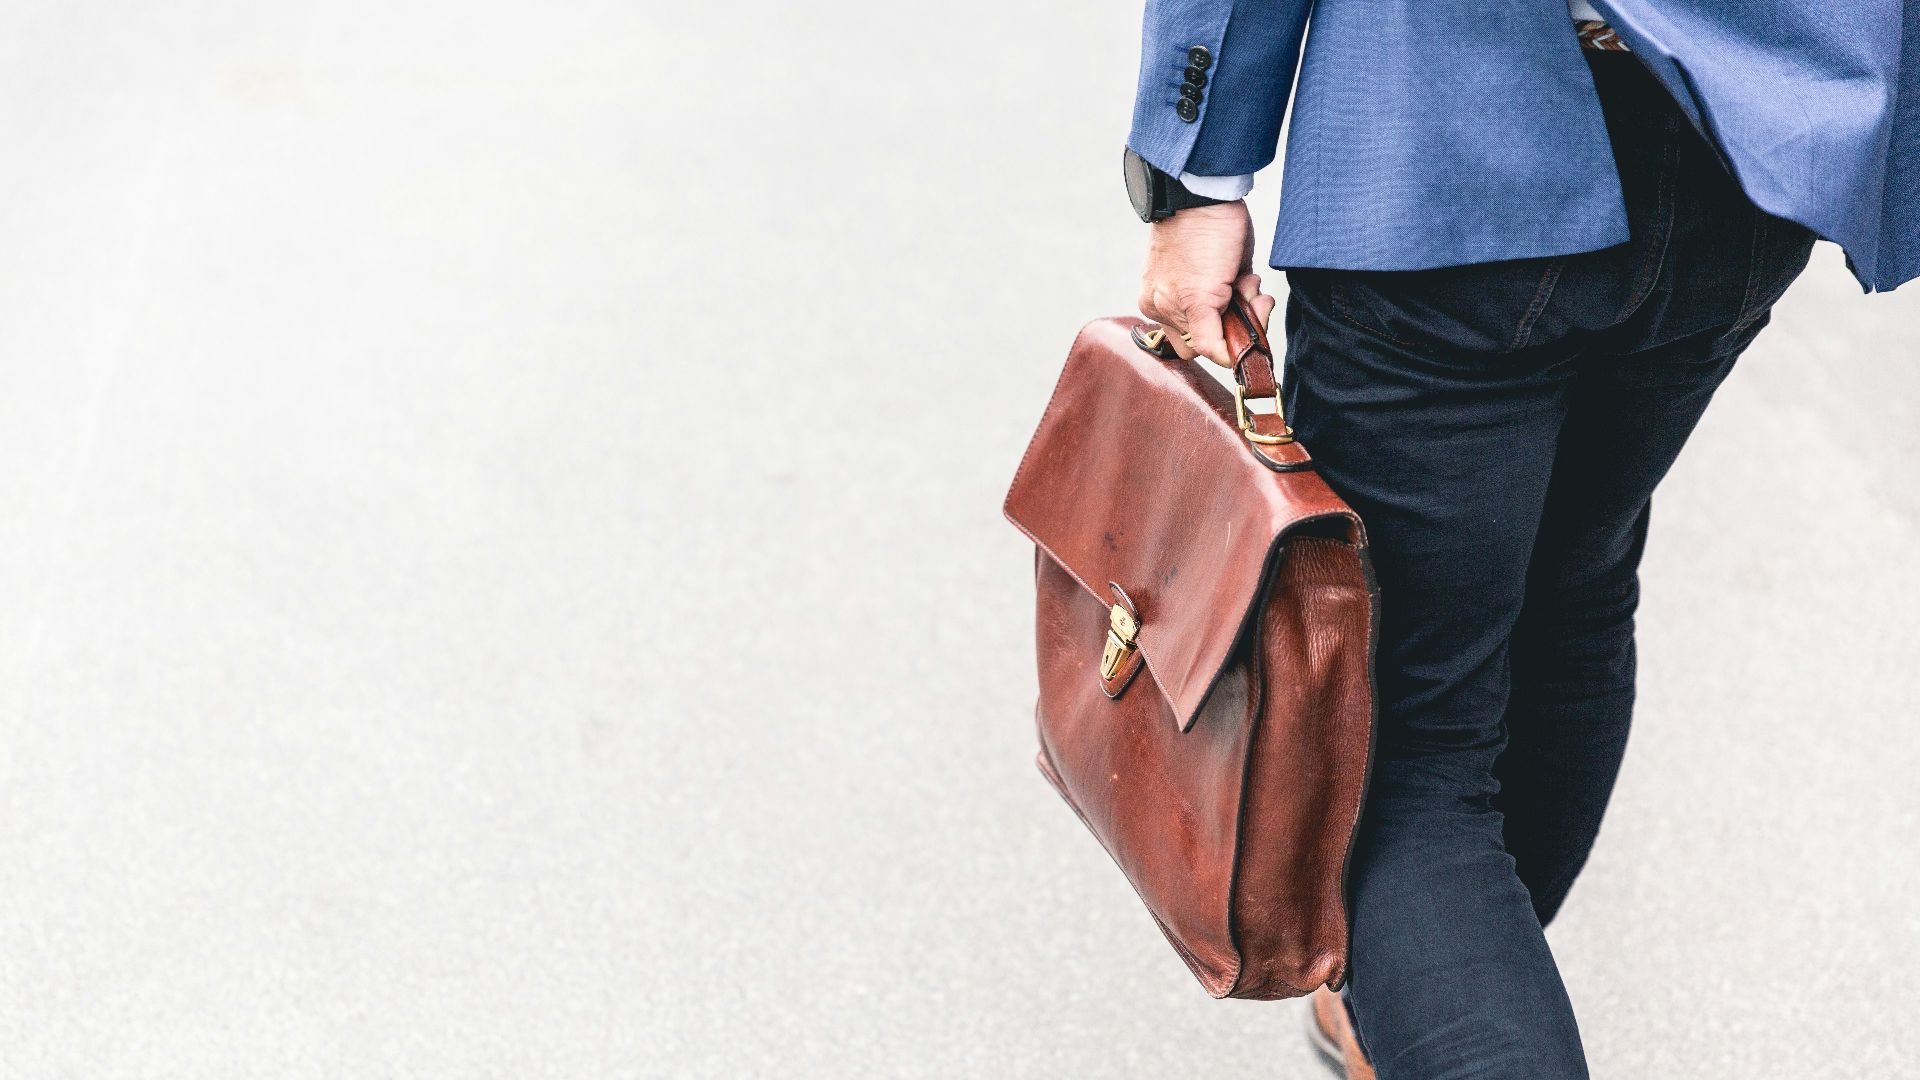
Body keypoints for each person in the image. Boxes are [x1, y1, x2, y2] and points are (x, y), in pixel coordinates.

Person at [1122, 2, 1917, 1077]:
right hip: (1746, 147)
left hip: (1452, 139)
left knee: (1399, 741)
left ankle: (1447, 992)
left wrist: (1194, 175)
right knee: (1572, 591)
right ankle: (1441, 984)